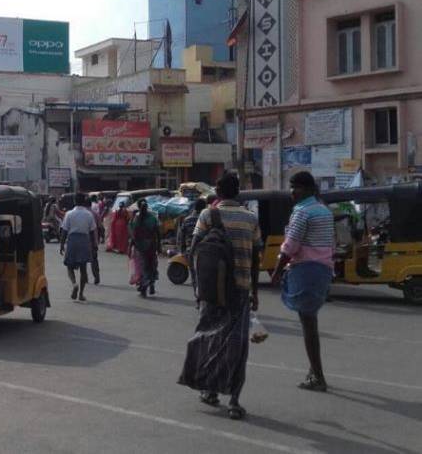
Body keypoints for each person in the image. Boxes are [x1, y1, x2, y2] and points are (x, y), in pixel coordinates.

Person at [178, 172, 261, 420]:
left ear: (218, 191)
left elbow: (193, 251)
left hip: (211, 291)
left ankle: (210, 390)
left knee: (209, 340)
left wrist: (197, 288)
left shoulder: (207, 215)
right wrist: (255, 291)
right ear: (237, 192)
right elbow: (256, 257)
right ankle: (234, 401)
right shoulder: (251, 219)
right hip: (240, 289)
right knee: (237, 346)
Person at [272, 171, 334, 393]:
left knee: (308, 325)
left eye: (296, 187)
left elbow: (291, 245)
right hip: (322, 270)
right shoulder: (323, 209)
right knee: (311, 322)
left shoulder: (303, 211)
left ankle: (318, 376)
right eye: (291, 187)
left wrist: (277, 271)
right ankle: (314, 370)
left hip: (306, 270)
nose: (292, 191)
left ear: (307, 189)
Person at [59, 193, 97, 302]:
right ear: (84, 201)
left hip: (72, 240)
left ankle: (74, 284)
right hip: (84, 240)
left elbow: (65, 230)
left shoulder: (69, 214)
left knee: (69, 266)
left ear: (75, 201)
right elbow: (92, 231)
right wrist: (94, 244)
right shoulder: (89, 214)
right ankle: (81, 294)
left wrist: (61, 244)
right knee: (83, 269)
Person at [128, 199, 160, 297]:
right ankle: (151, 284)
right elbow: (158, 233)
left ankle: (143, 289)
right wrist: (159, 246)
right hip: (151, 245)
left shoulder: (136, 218)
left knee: (142, 267)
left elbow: (134, 234)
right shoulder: (153, 217)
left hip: (140, 246)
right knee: (152, 265)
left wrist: (130, 246)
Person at [82, 197, 102, 285]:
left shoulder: (82, 214)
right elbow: (100, 226)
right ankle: (96, 276)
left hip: (83, 239)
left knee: (83, 260)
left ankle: (85, 277)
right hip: (93, 239)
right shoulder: (95, 213)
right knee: (94, 259)